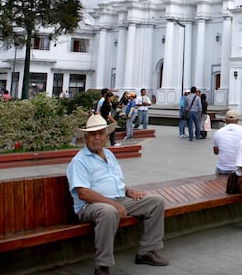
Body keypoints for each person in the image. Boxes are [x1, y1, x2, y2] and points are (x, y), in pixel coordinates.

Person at [66, 115, 168, 274]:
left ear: (106, 136)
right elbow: (83, 193)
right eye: (93, 134)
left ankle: (146, 252)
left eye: (101, 133)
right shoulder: (79, 161)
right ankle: (102, 265)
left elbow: (113, 179)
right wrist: (114, 204)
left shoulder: (109, 154)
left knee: (156, 202)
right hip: (90, 206)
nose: (97, 137)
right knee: (109, 211)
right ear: (86, 138)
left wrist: (128, 190)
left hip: (118, 199)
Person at [213, 109, 242, 175]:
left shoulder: (218, 132)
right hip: (239, 169)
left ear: (225, 120)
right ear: (237, 120)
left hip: (222, 168)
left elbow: (216, 152)